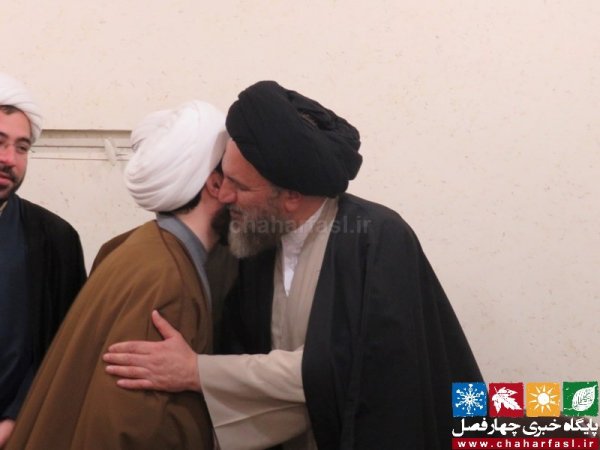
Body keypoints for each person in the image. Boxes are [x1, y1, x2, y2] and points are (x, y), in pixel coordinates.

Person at [103, 81, 483, 449]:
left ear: (291, 198)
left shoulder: (377, 239)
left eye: (241, 186)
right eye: (224, 177)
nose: (224, 194)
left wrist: (196, 371)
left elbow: (345, 369)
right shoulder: (254, 239)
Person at [6, 101, 231, 450]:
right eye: (237, 178)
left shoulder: (137, 248)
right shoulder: (167, 278)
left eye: (22, 146)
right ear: (215, 184)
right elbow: (133, 426)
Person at [0, 73, 86, 448]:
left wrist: (16, 420)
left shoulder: (55, 239)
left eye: (22, 147)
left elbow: (67, 349)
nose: (9, 159)